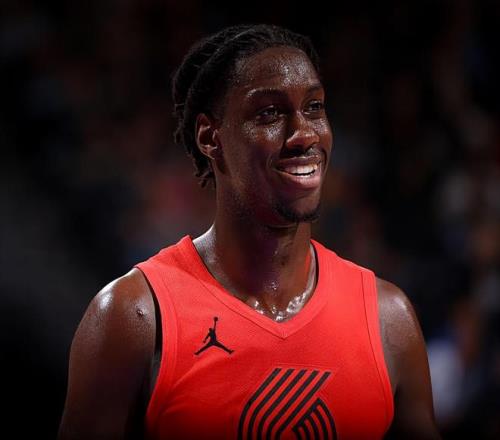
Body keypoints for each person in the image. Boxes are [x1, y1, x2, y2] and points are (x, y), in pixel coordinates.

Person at [59, 24, 440, 439]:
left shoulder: (388, 319)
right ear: (210, 137)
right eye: (270, 113)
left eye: (314, 107)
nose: (304, 134)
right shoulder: (134, 316)